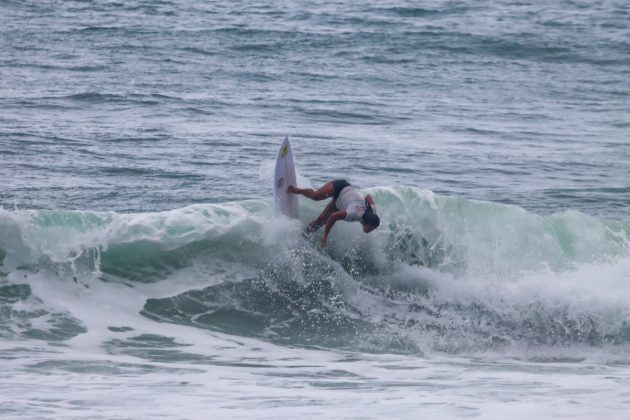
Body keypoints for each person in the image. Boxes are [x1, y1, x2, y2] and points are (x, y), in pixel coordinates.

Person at [287, 179, 380, 247]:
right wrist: (325, 235)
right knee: (316, 196)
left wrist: (366, 201)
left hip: (338, 204)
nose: (370, 230)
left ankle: (302, 235)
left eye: (372, 229)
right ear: (367, 222)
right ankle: (297, 190)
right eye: (370, 228)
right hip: (342, 187)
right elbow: (333, 216)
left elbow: (368, 197)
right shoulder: (354, 214)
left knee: (318, 223)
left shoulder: (372, 211)